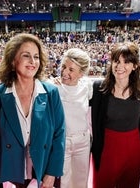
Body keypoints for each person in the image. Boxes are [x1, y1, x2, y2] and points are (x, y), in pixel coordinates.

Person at [0, 33, 66, 188]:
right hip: (14, 174)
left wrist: (52, 173)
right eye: (26, 56)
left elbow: (59, 135)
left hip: (45, 173)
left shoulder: (51, 92)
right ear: (12, 61)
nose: (32, 62)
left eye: (36, 57)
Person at [90, 42, 140, 188]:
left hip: (134, 150)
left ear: (134, 66)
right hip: (106, 151)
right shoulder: (99, 88)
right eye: (116, 61)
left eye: (126, 61)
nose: (119, 66)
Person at [52, 48, 92, 188]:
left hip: (83, 141)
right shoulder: (53, 87)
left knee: (81, 181)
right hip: (62, 142)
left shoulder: (87, 86)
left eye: (71, 69)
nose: (64, 72)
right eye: (63, 67)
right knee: (64, 182)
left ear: (81, 73)